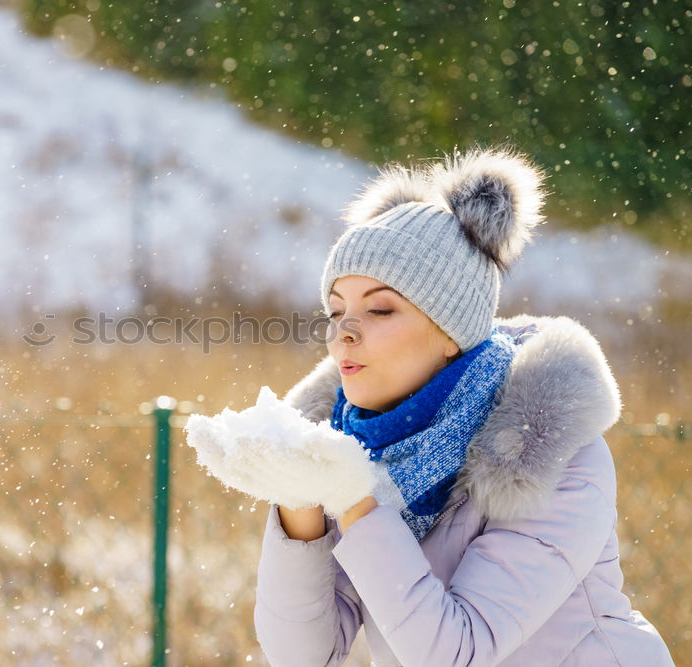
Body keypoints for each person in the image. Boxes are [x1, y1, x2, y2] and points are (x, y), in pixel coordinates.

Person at [252, 146, 675, 665]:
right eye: (336, 311)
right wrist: (302, 501)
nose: (344, 335)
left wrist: (356, 502)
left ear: (451, 331)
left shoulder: (549, 454)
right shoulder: (361, 446)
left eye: (380, 308)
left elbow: (457, 652)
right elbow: (305, 657)